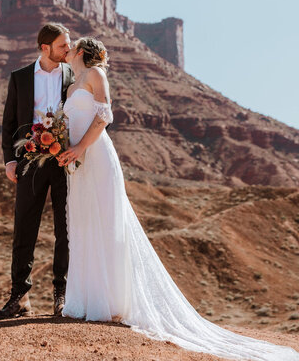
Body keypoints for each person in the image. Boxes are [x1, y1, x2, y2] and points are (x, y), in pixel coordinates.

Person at [57, 36, 299, 361]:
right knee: (83, 223)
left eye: (72, 46)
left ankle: (109, 303)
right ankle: (84, 301)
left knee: (107, 222)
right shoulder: (71, 87)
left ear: (82, 53)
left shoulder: (95, 76)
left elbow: (104, 117)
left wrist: (81, 148)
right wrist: (62, 149)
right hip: (76, 161)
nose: (67, 49)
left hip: (97, 157)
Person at [0, 23, 74, 320]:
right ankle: (20, 297)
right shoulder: (20, 78)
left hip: (66, 161)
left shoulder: (73, 75)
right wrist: (9, 160)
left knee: (66, 230)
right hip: (29, 160)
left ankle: (61, 295)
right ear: (45, 48)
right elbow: (9, 122)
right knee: (24, 227)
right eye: (63, 45)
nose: (68, 49)